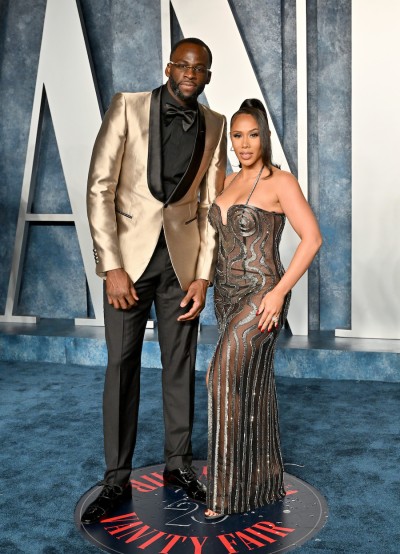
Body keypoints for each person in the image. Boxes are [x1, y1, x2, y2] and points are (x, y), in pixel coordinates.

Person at [82, 38, 227, 525]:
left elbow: (210, 208)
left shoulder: (215, 124)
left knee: (180, 364)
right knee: (121, 365)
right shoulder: (127, 106)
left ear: (208, 76)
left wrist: (203, 276)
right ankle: (116, 476)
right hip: (129, 263)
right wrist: (111, 266)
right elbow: (100, 187)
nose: (191, 73)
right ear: (169, 68)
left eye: (200, 68)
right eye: (183, 65)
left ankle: (179, 465)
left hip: (180, 269)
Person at [205, 99, 322, 518]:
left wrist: (278, 294)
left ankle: (222, 494)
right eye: (237, 135)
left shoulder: (280, 182)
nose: (245, 142)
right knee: (249, 385)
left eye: (253, 134)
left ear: (265, 136)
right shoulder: (225, 180)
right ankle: (261, 480)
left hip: (263, 293)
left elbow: (312, 239)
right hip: (225, 296)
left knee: (219, 379)